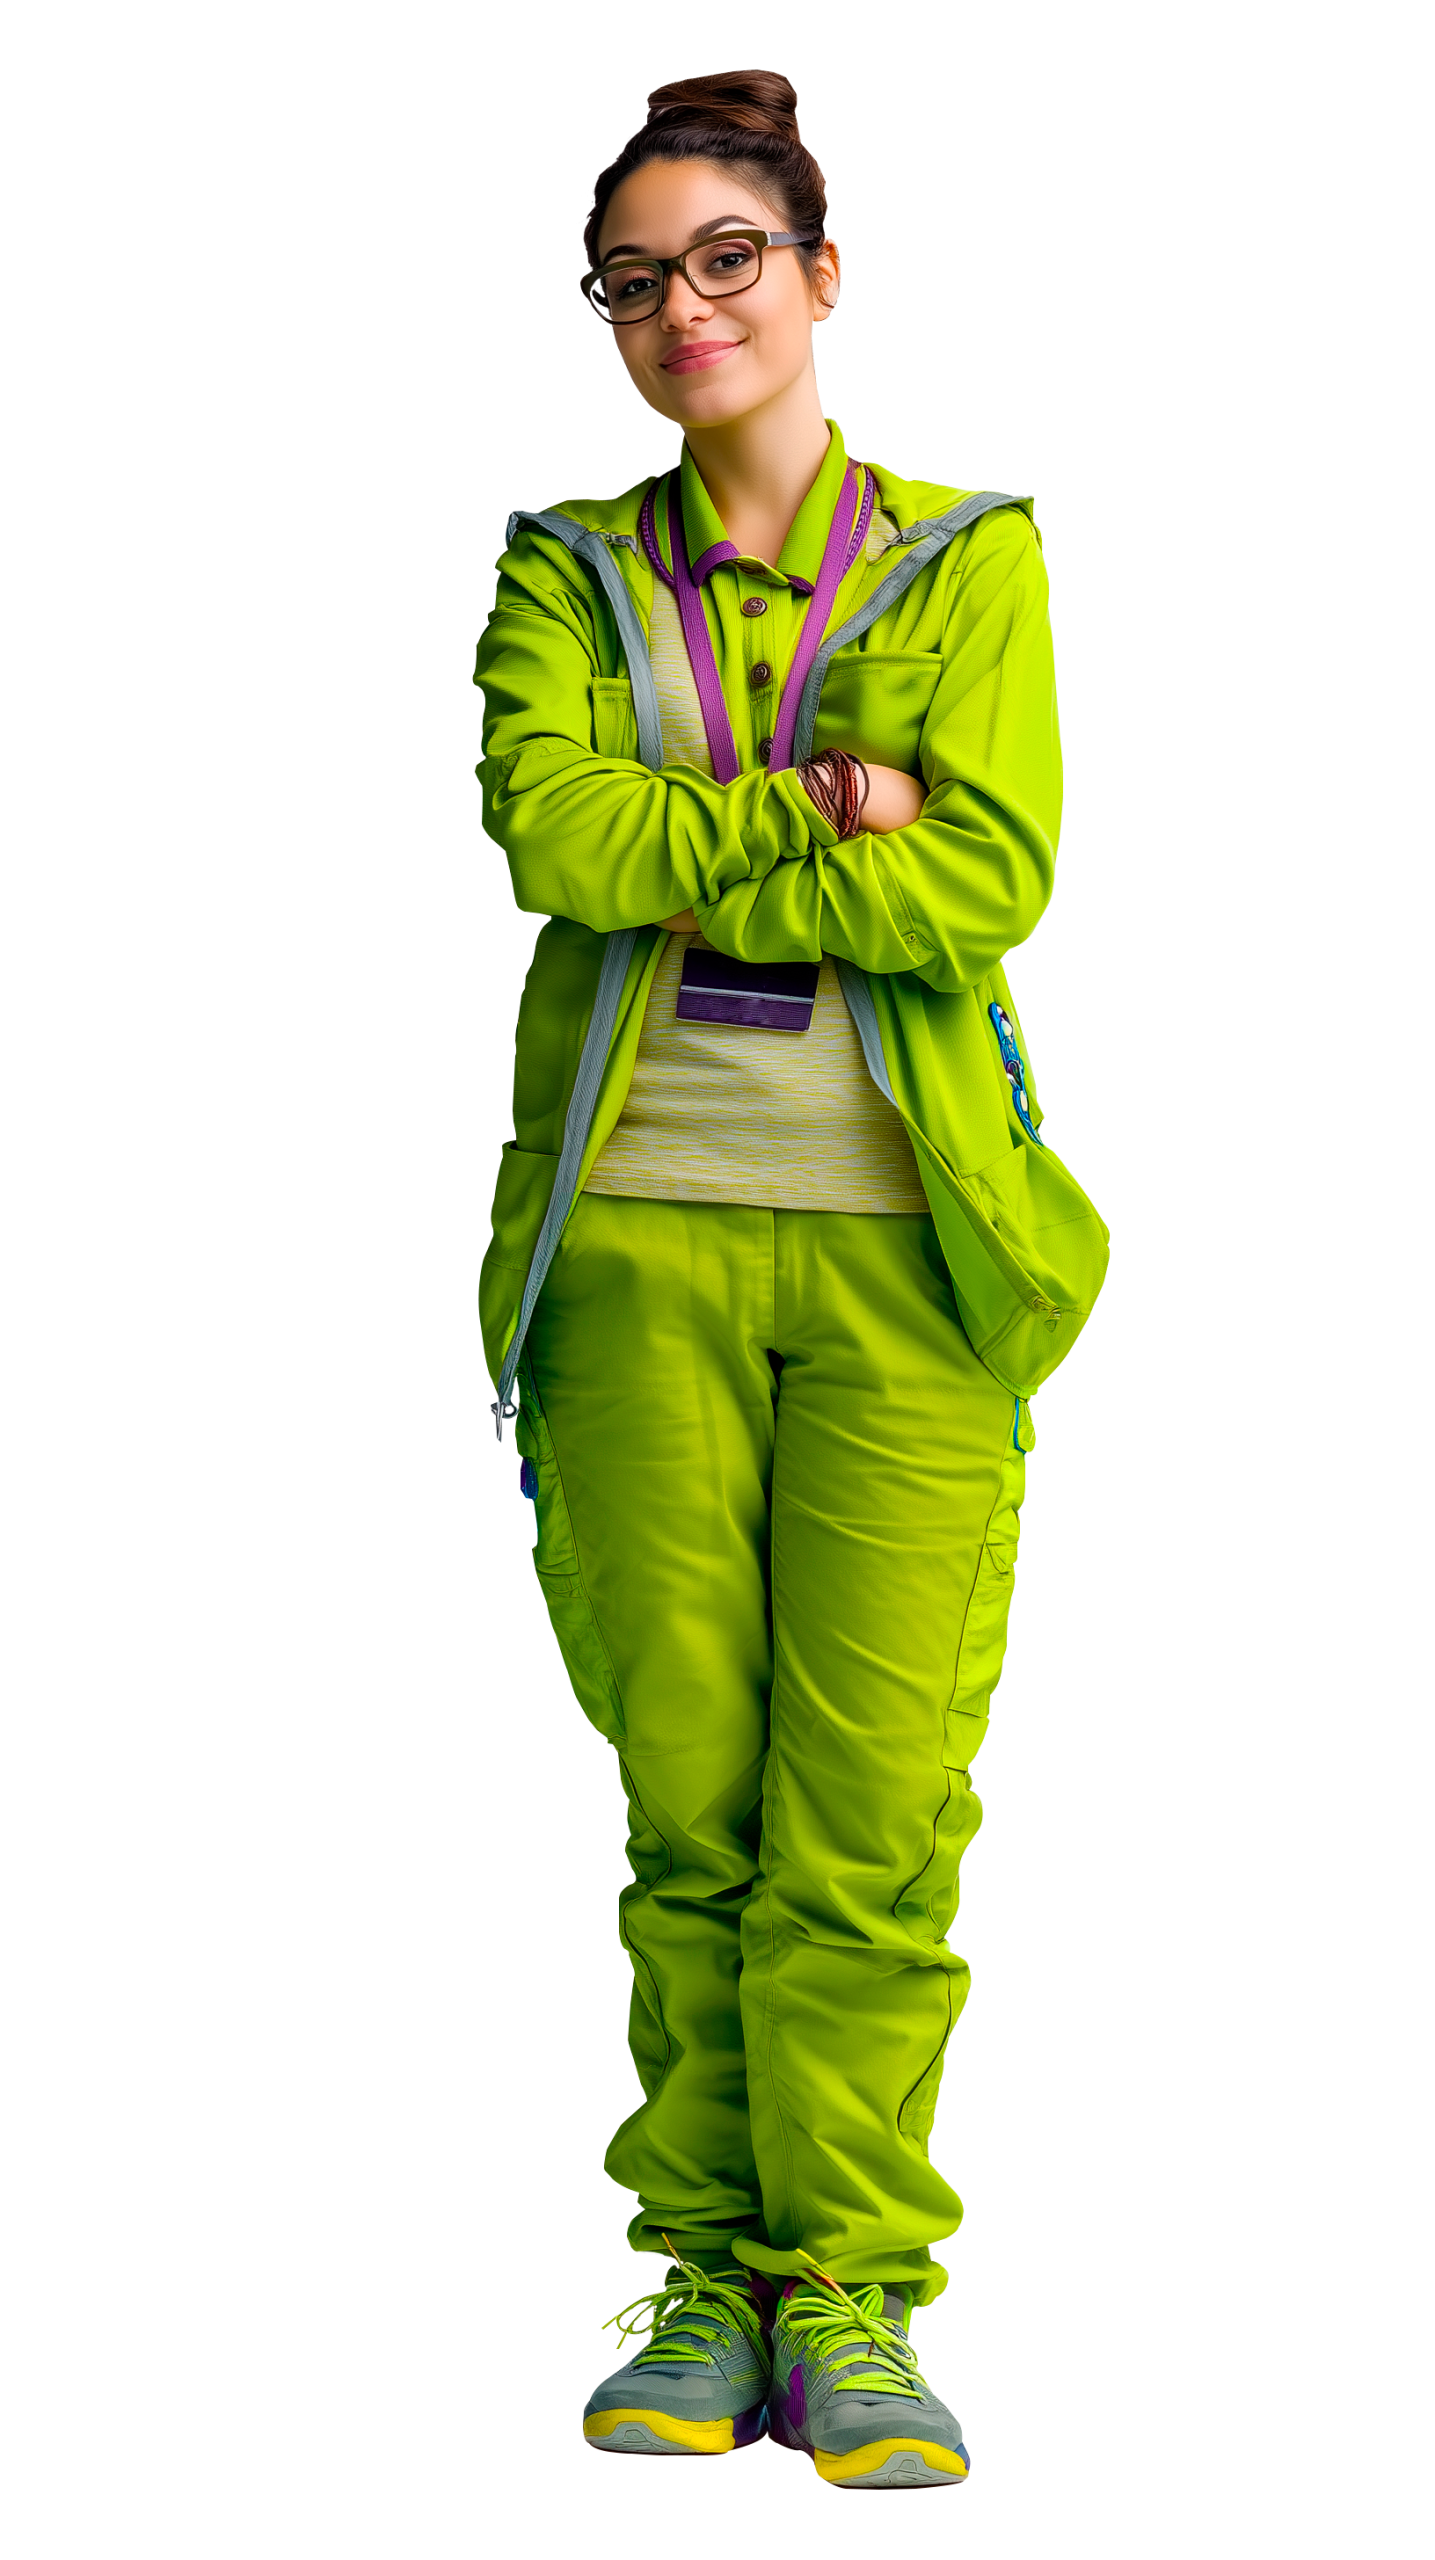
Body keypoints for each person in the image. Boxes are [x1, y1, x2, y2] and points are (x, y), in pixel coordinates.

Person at [475, 67, 1108, 2489]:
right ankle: (693, 2269)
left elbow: (989, 878)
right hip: (628, 1240)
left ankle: (854, 2286)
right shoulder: (566, 568)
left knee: (874, 1806)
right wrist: (824, 809)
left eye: (727, 257)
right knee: (691, 1797)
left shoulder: (967, 561)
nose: (684, 309)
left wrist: (703, 837)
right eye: (635, 278)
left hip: (912, 1257)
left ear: (821, 273)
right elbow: (552, 829)